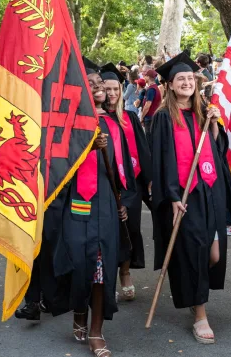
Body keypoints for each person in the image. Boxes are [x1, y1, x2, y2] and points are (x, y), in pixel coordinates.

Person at [149, 53, 231, 344]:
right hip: (185, 194)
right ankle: (200, 315)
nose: (186, 82)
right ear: (169, 85)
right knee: (195, 251)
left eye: (189, 79)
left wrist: (216, 124)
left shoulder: (203, 112)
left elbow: (218, 152)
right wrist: (170, 196)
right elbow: (161, 162)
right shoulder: (162, 118)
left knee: (214, 255)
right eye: (179, 79)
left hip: (211, 190)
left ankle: (193, 290)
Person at [48, 70, 137, 357]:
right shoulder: (69, 122)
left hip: (105, 204)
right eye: (92, 84)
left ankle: (97, 332)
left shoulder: (114, 123)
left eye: (101, 84)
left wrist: (124, 199)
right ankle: (78, 310)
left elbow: (123, 167)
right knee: (77, 262)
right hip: (77, 200)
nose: (99, 88)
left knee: (102, 266)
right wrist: (88, 146)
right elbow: (58, 164)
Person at [100, 63, 152, 303]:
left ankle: (125, 272)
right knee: (106, 232)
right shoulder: (94, 118)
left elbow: (143, 151)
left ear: (121, 91)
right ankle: (105, 278)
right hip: (103, 183)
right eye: (107, 89)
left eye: (115, 89)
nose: (111, 94)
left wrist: (149, 180)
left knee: (129, 228)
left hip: (130, 183)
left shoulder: (130, 117)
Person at [140, 69, 162, 136]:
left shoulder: (151, 89)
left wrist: (141, 117)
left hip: (150, 118)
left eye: (145, 76)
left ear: (148, 77)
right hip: (153, 117)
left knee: (149, 139)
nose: (144, 78)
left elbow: (147, 105)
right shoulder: (155, 87)